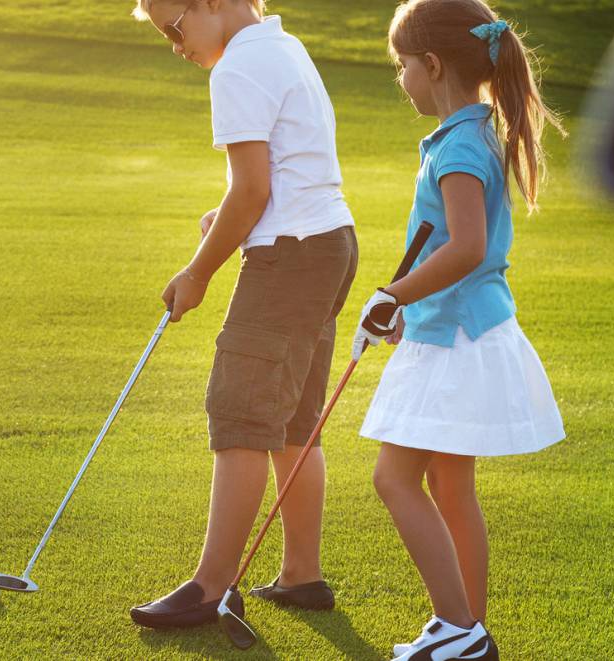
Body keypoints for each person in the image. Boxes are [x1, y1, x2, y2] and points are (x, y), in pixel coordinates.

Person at [126, 0, 360, 629]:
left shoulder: (232, 71)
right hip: (331, 244)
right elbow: (275, 179)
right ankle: (301, 576)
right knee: (292, 424)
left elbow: (252, 189)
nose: (176, 46)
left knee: (240, 416)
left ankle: (209, 587)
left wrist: (198, 271)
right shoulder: (284, 45)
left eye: (175, 29)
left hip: (290, 259)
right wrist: (225, 225)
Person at [353, 1, 566, 658]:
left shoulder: (460, 146)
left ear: (433, 65)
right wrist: (405, 307)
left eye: (402, 66)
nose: (401, 78)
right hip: (457, 328)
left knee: (393, 478)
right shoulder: (471, 135)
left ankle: (458, 627)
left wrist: (391, 294)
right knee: (449, 482)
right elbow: (454, 246)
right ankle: (470, 631)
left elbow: (467, 246)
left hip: (455, 340)